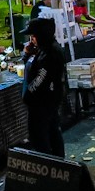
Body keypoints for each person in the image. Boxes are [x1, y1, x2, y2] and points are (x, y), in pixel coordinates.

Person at [21, 16, 66, 157]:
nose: (31, 40)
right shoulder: (42, 49)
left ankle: (50, 166)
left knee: (43, 138)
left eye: (33, 36)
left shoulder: (50, 53)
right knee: (51, 134)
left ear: (41, 36)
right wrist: (27, 54)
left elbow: (41, 78)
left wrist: (28, 94)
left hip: (43, 102)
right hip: (44, 102)